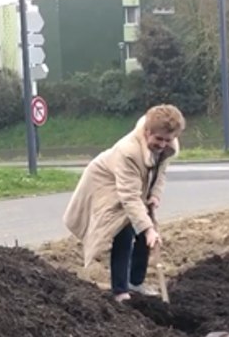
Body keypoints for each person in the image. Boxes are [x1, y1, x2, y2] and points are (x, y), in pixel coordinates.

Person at [63, 105, 184, 302]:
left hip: (133, 184)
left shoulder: (169, 146)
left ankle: (135, 283)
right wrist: (148, 228)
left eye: (167, 140)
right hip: (106, 182)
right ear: (147, 132)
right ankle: (120, 291)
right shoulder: (128, 151)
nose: (162, 144)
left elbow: (161, 172)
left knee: (146, 233)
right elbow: (129, 198)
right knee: (125, 232)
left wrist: (155, 194)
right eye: (158, 139)